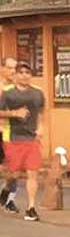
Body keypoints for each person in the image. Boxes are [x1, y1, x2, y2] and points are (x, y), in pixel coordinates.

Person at [0, 62, 45, 221]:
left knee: (33, 173)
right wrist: (14, 113)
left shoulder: (38, 93)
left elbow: (40, 113)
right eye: (21, 72)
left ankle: (31, 208)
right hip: (13, 137)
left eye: (28, 72)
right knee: (14, 174)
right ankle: (6, 190)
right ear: (16, 76)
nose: (25, 75)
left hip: (31, 138)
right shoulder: (7, 93)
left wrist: (40, 128)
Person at [0, 57, 24, 214]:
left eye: (14, 69)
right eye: (9, 68)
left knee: (16, 169)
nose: (12, 72)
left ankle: (7, 198)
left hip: (14, 133)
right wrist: (14, 113)